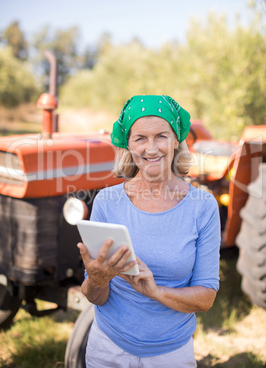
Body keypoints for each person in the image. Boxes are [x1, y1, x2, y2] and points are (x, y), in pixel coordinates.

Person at [78, 95, 221, 368]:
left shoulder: (202, 208)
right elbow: (96, 296)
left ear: (177, 140)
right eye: (140, 138)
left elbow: (205, 298)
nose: (151, 148)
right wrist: (97, 280)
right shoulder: (107, 203)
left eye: (161, 136)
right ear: (128, 144)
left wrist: (155, 291)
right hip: (108, 348)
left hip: (170, 355)